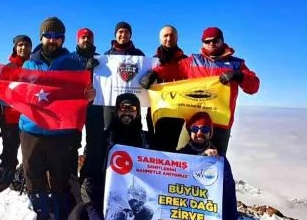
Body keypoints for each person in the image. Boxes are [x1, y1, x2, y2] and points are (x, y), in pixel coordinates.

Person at [17, 16, 94, 220]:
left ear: (63, 39)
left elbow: (82, 96)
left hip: (61, 133)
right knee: (33, 176)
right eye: (48, 36)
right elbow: (11, 93)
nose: (52, 40)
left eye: (57, 37)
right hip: (32, 130)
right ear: (41, 37)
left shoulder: (72, 64)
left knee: (61, 180)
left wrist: (88, 97)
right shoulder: (29, 65)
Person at [69, 93, 163, 220]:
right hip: (105, 198)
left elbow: (167, 166)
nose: (127, 112)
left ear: (138, 112)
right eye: (123, 107)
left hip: (139, 199)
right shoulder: (104, 138)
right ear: (116, 110)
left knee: (155, 213)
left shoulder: (146, 139)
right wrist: (92, 208)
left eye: (132, 108)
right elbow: (88, 175)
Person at [140, 26, 260, 155]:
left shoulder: (236, 64)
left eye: (215, 40)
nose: (211, 44)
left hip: (220, 125)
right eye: (207, 41)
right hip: (193, 123)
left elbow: (254, 86)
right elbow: (173, 68)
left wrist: (239, 75)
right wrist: (154, 73)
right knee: (182, 159)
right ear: (202, 43)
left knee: (215, 163)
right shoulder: (194, 61)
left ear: (222, 40)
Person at [177, 112, 243, 220]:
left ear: (211, 133)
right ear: (189, 131)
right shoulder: (179, 156)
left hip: (212, 214)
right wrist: (201, 159)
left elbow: (228, 198)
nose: (200, 132)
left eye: (205, 129)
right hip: (187, 214)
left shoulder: (220, 160)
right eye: (196, 128)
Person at [0, 35, 32, 185]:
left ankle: (27, 181)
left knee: (31, 153)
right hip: (11, 119)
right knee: (9, 152)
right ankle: (5, 182)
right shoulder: (7, 69)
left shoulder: (35, 66)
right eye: (20, 45)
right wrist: (0, 117)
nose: (23, 48)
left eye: (27, 45)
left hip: (30, 119)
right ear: (15, 47)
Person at [145, 25, 189, 152]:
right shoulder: (151, 62)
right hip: (156, 113)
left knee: (176, 150)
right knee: (156, 151)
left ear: (177, 38)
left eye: (172, 35)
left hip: (179, 113)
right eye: (165, 35)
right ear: (160, 39)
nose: (169, 38)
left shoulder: (186, 62)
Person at [102, 21, 146, 144]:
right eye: (120, 31)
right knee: (110, 130)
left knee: (134, 130)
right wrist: (94, 68)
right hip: (111, 101)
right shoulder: (107, 56)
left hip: (133, 100)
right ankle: (109, 157)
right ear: (115, 34)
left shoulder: (139, 54)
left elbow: (146, 71)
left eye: (126, 32)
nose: (123, 34)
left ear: (130, 35)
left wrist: (149, 76)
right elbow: (100, 77)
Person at [69, 28, 102, 179]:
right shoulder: (69, 59)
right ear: (78, 40)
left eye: (89, 37)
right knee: (72, 144)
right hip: (74, 107)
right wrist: (85, 71)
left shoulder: (101, 59)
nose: (86, 40)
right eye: (83, 37)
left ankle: (89, 176)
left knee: (94, 143)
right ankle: (70, 177)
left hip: (95, 106)